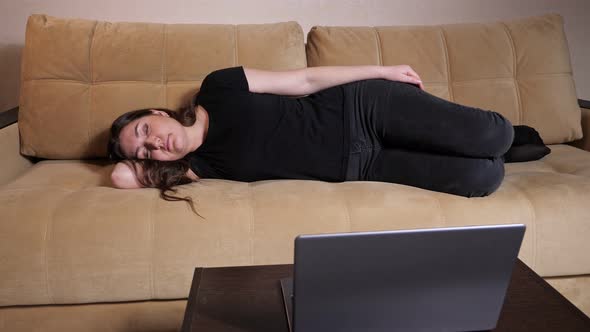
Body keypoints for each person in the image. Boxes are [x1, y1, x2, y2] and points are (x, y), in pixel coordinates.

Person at [107, 65, 550, 212]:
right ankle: (500, 151)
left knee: (494, 134)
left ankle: (510, 139)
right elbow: (120, 180)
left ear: (158, 112)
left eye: (145, 130)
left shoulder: (217, 88)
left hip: (362, 110)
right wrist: (133, 163)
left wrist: (381, 71)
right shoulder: (199, 169)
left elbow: (304, 79)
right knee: (483, 179)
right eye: (143, 152)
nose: (154, 145)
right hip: (362, 167)